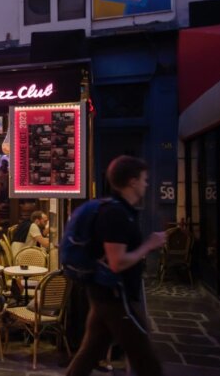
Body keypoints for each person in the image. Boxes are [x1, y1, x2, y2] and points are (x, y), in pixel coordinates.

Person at [66, 156, 167, 376]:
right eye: (144, 179)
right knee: (146, 360)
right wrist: (149, 245)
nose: (146, 184)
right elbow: (117, 262)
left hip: (106, 294)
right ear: (132, 181)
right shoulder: (115, 214)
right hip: (115, 296)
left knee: (90, 352)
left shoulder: (118, 210)